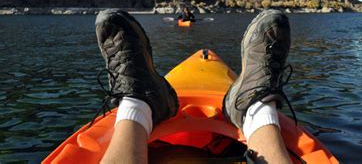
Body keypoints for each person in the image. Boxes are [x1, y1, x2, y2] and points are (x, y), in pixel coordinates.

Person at [95, 9, 293, 164]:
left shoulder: (188, 15)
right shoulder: (184, 15)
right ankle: (258, 110)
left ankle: (137, 103)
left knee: (132, 112)